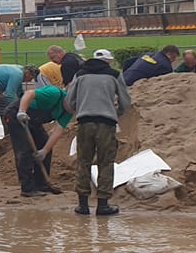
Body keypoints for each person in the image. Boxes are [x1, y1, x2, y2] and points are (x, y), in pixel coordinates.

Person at [65, 52, 133, 215]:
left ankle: (83, 205)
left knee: (84, 161)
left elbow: (69, 101)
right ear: (108, 61)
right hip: (106, 122)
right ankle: (103, 205)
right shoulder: (114, 75)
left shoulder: (80, 75)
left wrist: (80, 109)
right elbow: (125, 101)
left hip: (84, 122)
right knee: (105, 163)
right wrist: (117, 112)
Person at [9, 84, 72, 198]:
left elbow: (58, 131)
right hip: (16, 114)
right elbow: (29, 93)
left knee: (45, 144)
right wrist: (22, 111)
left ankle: (41, 183)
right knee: (24, 151)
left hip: (34, 121)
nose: (72, 109)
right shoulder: (54, 93)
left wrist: (44, 150)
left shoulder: (68, 112)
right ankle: (27, 188)